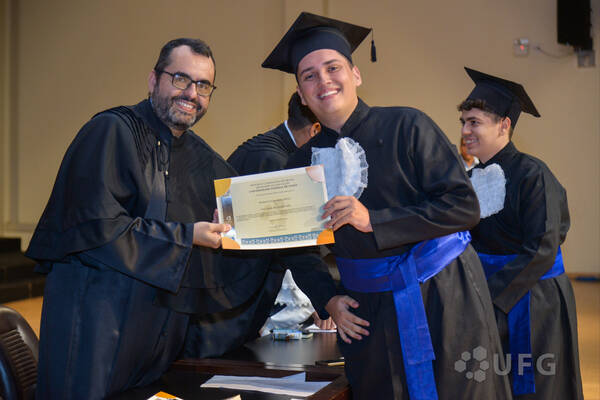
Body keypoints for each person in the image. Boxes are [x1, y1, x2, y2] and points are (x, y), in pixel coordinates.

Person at [263, 12, 512, 400]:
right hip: (366, 311)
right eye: (309, 76)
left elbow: (464, 207)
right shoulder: (300, 165)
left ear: (356, 74)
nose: (323, 80)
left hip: (442, 297)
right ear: (301, 93)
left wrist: (375, 221)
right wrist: (328, 299)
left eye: (333, 68)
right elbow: (297, 247)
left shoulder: (408, 126)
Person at [25, 38, 234, 399]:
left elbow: (242, 217)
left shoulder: (202, 158)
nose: (192, 93)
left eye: (203, 85)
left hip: (154, 337)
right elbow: (99, 228)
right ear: (153, 80)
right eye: (181, 79)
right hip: (96, 326)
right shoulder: (110, 131)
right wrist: (187, 236)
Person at [459, 67, 583, 399]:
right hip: (488, 297)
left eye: (475, 122)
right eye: (464, 122)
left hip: (533, 299)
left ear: (504, 125)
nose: (466, 131)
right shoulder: (468, 179)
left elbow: (543, 246)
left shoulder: (533, 174)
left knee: (539, 386)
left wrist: (488, 295)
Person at [182, 92, 336, 359]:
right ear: (315, 129)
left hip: (228, 288)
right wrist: (328, 301)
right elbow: (297, 247)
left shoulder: (265, 147)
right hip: (231, 296)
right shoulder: (278, 162)